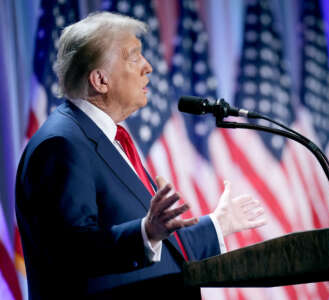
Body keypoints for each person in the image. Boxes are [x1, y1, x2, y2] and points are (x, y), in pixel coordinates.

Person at [15, 11, 267, 300]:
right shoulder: (61, 145)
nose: (148, 67)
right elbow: (73, 251)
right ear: (100, 80)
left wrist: (218, 223)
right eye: (134, 56)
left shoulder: (107, 139)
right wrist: (146, 231)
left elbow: (158, 248)